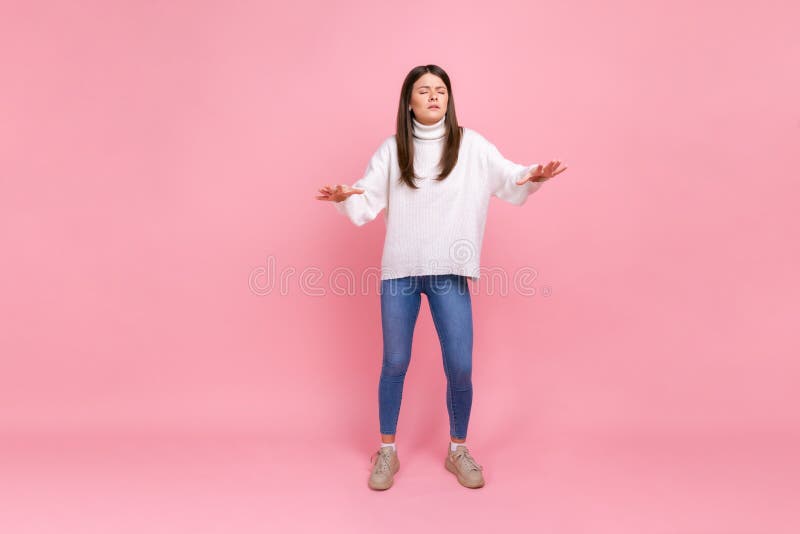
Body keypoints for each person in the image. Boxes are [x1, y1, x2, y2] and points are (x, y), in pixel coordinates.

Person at [315, 64, 567, 490]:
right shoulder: (393, 149)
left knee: (460, 366)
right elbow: (366, 197)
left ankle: (458, 450)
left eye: (441, 90)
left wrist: (532, 176)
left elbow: (509, 176)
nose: (434, 96)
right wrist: (345, 198)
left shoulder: (471, 146)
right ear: (408, 100)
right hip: (401, 273)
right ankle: (387, 453)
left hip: (450, 272)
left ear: (449, 99)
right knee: (394, 362)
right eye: (423, 90)